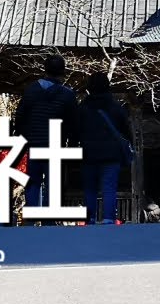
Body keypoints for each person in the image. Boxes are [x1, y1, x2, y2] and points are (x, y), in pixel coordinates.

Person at [14, 54, 79, 216]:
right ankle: (49, 219)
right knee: (53, 182)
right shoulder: (68, 95)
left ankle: (31, 215)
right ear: (63, 71)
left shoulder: (32, 90)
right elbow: (73, 123)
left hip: (34, 142)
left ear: (45, 70)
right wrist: (72, 144)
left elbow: (20, 116)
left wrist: (21, 137)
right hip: (55, 144)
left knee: (33, 181)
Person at [76, 71, 131, 224]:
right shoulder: (115, 107)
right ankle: (108, 218)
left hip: (88, 153)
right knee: (109, 187)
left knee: (89, 188)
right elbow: (125, 130)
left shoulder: (83, 108)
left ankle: (90, 218)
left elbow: (76, 130)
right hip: (111, 154)